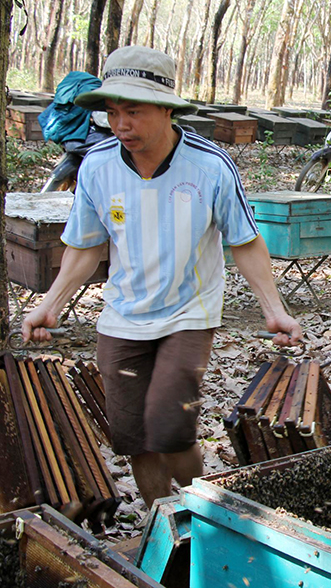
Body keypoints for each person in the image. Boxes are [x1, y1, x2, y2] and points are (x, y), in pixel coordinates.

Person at [22, 46, 302, 507]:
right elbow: (86, 246)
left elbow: (244, 240)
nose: (120, 125)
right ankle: (160, 521)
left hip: (188, 313)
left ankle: (205, 510)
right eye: (112, 113)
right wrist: (49, 305)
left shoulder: (210, 166)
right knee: (133, 437)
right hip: (122, 317)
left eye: (133, 112)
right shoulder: (97, 166)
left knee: (170, 429)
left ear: (167, 110)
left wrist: (275, 311)